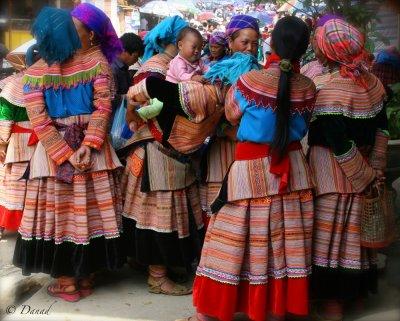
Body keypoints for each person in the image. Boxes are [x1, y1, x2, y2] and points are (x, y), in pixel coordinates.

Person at [177, 16, 315, 321]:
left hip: (250, 171)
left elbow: (232, 114)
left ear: (272, 43)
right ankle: (276, 310)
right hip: (291, 171)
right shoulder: (307, 87)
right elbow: (303, 127)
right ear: (304, 49)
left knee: (232, 239)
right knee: (282, 242)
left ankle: (211, 313)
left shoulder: (248, 82)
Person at [13, 4, 124, 302]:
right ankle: (85, 276)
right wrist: (88, 145)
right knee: (89, 213)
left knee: (59, 219)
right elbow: (104, 106)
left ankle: (66, 284)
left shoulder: (34, 73)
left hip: (52, 159)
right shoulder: (96, 63)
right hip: (94, 153)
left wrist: (63, 153)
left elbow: (39, 119)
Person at [308, 19, 388, 321]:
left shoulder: (329, 90)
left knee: (332, 238)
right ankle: (355, 298)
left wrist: (363, 176)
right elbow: (383, 127)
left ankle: (332, 305)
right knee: (356, 236)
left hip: (333, 171)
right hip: (365, 167)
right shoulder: (372, 83)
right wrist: (375, 169)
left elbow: (337, 141)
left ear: (329, 52)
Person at [121, 15, 204, 296]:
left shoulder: (168, 66)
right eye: (193, 43)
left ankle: (145, 264)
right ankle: (157, 276)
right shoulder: (157, 69)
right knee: (160, 218)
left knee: (145, 215)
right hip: (158, 153)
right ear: (178, 41)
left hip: (158, 150)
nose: (197, 50)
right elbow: (137, 106)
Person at [199, 14, 260, 217]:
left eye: (254, 43)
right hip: (223, 147)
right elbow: (206, 112)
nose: (250, 48)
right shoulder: (215, 74)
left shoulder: (262, 73)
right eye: (244, 42)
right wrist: (225, 129)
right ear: (231, 43)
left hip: (251, 150)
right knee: (220, 208)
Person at [0, 47, 38, 240]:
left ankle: (6, 224)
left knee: (11, 183)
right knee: (35, 183)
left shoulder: (12, 85)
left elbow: (5, 117)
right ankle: (32, 224)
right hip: (41, 140)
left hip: (16, 143)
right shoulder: (48, 82)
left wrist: (1, 143)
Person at [112, 33, 144, 111]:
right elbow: (110, 98)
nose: (136, 61)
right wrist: (130, 96)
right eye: (135, 56)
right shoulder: (112, 69)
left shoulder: (124, 67)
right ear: (124, 51)